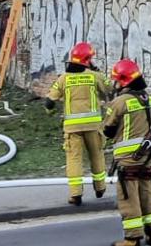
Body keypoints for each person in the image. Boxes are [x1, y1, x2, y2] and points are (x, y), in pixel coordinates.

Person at [101, 59, 151, 246]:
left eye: (116, 80)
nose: (115, 83)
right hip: (147, 157)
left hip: (127, 160)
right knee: (146, 193)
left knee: (128, 197)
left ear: (123, 81)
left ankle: (132, 239)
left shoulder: (119, 103)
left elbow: (107, 130)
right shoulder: (150, 99)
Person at [45, 41, 112, 206]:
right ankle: (100, 188)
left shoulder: (63, 79)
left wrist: (51, 113)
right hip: (94, 127)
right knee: (97, 156)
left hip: (72, 128)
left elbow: (49, 102)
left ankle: (75, 194)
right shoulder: (94, 76)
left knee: (74, 159)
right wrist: (97, 72)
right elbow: (110, 88)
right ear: (87, 59)